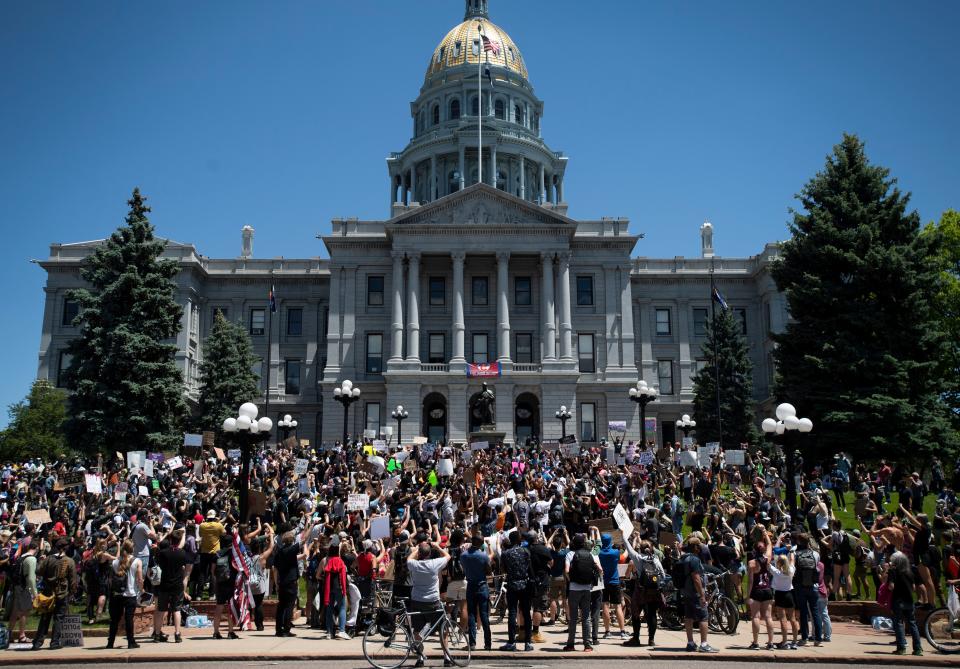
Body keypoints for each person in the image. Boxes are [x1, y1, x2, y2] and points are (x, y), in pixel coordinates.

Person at [407, 540, 451, 668]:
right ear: (430, 553)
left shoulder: (414, 564)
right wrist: (437, 546)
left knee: (417, 630)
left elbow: (409, 558)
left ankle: (420, 657)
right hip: (432, 601)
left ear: (420, 554)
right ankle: (446, 657)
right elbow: (447, 556)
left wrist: (417, 549)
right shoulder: (435, 563)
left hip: (417, 600)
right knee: (443, 630)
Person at [31, 537, 77, 651]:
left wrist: (42, 561)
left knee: (45, 617)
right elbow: (73, 581)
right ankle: (54, 642)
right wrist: (72, 593)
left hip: (47, 592)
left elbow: (38, 571)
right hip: (62, 593)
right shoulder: (70, 561)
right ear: (66, 548)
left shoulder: (48, 559)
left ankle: (37, 643)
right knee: (58, 618)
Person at [622, 538, 665, 647]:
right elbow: (663, 576)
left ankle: (636, 638)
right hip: (653, 592)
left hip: (640, 591)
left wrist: (623, 536)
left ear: (640, 549)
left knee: (636, 613)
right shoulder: (655, 559)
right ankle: (651, 640)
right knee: (652, 615)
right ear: (651, 549)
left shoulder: (638, 558)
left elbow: (629, 548)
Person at [679, 536, 718, 653]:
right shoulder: (694, 560)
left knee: (689, 617)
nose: (700, 548)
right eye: (699, 546)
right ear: (695, 547)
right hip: (695, 593)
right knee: (703, 616)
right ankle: (704, 644)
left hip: (686, 592)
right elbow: (696, 578)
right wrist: (702, 595)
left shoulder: (683, 558)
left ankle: (690, 643)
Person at [563, 533, 601, 652]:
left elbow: (566, 571)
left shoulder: (570, 554)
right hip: (586, 589)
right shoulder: (589, 554)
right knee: (586, 617)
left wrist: (571, 581)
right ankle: (587, 645)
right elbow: (599, 569)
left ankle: (570, 644)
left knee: (573, 618)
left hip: (574, 589)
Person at [500, 530, 534, 651]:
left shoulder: (505, 553)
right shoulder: (525, 551)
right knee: (526, 613)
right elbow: (530, 570)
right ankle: (528, 642)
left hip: (512, 585)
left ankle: (511, 642)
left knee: (512, 613)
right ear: (519, 540)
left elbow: (502, 570)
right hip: (524, 584)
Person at [106, 539, 142, 650]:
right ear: (132, 548)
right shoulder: (137, 561)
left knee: (114, 620)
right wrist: (142, 590)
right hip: (130, 594)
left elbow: (111, 579)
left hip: (117, 594)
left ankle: (110, 642)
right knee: (129, 619)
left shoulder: (115, 561)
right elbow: (140, 579)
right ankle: (131, 642)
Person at [153, 530, 187, 643]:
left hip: (165, 583)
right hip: (177, 585)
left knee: (161, 610)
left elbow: (160, 565)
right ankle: (177, 633)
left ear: (170, 539)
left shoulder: (163, 553)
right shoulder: (182, 553)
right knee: (176, 610)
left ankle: (157, 634)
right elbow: (184, 567)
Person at [887, 550, 923, 656]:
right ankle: (918, 649)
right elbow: (913, 588)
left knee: (898, 623)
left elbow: (891, 586)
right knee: (912, 623)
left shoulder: (893, 571)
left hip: (898, 599)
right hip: (909, 600)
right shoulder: (910, 570)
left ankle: (901, 648)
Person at [460, 534, 492, 650]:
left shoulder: (463, 555)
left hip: (471, 586)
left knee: (472, 615)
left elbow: (464, 568)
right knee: (484, 615)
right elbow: (489, 571)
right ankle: (488, 644)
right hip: (482, 586)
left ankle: (472, 643)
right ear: (481, 543)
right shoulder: (483, 556)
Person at [793, 533, 823, 646]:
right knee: (815, 612)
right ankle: (818, 638)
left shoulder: (796, 554)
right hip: (813, 586)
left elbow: (793, 569)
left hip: (800, 586)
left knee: (803, 612)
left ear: (799, 542)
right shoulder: (815, 554)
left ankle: (804, 638)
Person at [746, 536, 775, 649]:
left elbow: (750, 581)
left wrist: (748, 596)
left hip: (757, 590)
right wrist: (764, 532)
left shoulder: (751, 563)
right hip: (767, 589)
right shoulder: (767, 558)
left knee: (756, 617)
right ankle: (770, 642)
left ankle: (756, 642)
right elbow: (770, 545)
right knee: (768, 617)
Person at [598, 533, 626, 639]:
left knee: (605, 605)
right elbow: (625, 555)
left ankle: (607, 631)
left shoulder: (599, 553)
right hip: (614, 582)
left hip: (603, 582)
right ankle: (622, 631)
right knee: (617, 606)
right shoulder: (615, 552)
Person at [9, 540, 38, 645]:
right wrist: (35, 594)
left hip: (16, 586)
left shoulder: (21, 557)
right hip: (23, 587)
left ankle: (9, 635)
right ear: (36, 549)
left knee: (15, 611)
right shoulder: (32, 559)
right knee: (24, 611)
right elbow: (31, 578)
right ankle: (22, 636)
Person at [769, 548, 798, 649]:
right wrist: (791, 552)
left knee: (783, 619)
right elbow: (792, 561)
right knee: (793, 619)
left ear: (779, 563)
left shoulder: (776, 572)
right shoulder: (791, 570)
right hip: (790, 594)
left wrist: (769, 552)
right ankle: (794, 641)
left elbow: (767, 564)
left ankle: (785, 641)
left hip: (780, 595)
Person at [320, 544, 350, 639]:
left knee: (329, 609)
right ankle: (341, 630)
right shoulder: (340, 561)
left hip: (329, 588)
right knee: (342, 608)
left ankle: (329, 632)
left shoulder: (328, 561)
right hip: (339, 587)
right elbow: (343, 575)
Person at [198, 510, 225, 599]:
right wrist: (218, 522)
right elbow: (224, 533)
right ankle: (211, 594)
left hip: (204, 552)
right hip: (215, 552)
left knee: (202, 573)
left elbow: (200, 534)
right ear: (214, 517)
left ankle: (199, 594)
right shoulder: (218, 525)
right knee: (213, 573)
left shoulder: (202, 525)